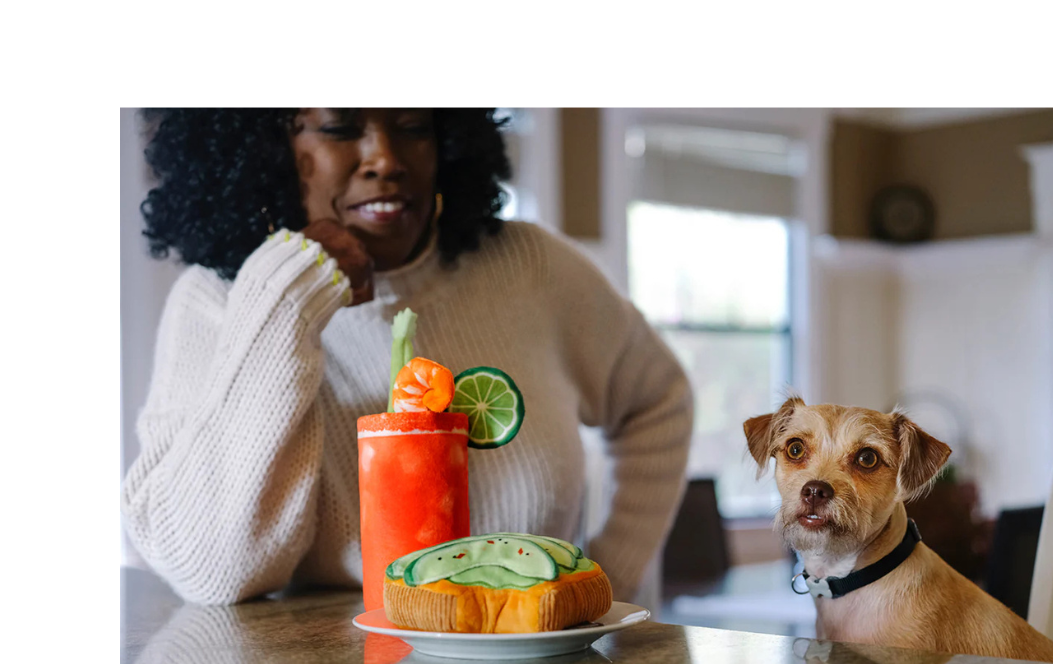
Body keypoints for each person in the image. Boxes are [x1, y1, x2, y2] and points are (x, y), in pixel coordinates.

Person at [122, 109, 693, 606]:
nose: (386, 159)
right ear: (269, 147)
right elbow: (211, 571)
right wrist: (286, 296)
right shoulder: (216, 301)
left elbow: (659, 400)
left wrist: (607, 583)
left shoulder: (532, 268)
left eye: (414, 127)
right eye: (341, 128)